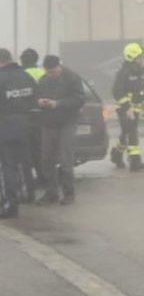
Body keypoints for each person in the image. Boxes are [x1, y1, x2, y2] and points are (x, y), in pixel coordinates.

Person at [36, 56, 85, 205]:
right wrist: (39, 101)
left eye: (54, 71)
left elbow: (79, 99)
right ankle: (51, 193)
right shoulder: (43, 80)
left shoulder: (72, 78)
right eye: (49, 72)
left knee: (65, 159)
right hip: (49, 123)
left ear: (60, 67)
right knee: (46, 159)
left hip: (67, 123)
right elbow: (36, 96)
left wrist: (58, 104)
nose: (51, 75)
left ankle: (69, 194)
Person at [0, 49, 38, 218]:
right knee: (25, 162)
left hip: (6, 126)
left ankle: (11, 204)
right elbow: (36, 98)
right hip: (27, 125)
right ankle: (29, 194)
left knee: (8, 166)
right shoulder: (25, 76)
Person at [111, 43, 144, 172]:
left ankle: (116, 154)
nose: (141, 59)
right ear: (131, 57)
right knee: (131, 133)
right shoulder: (124, 72)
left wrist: (143, 103)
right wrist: (127, 108)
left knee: (126, 132)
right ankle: (134, 161)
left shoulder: (139, 71)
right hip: (125, 109)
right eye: (139, 57)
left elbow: (140, 89)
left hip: (135, 109)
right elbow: (117, 92)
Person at [19, 48, 45, 186]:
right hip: (43, 117)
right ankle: (43, 179)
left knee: (25, 152)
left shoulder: (20, 75)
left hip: (24, 118)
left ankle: (27, 183)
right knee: (40, 150)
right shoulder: (43, 73)